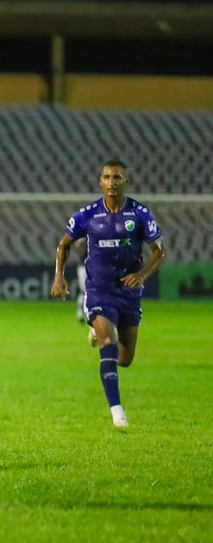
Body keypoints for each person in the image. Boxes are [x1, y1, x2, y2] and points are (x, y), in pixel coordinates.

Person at [51, 160, 167, 428]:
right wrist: (59, 275)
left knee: (125, 360)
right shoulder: (87, 215)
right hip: (99, 290)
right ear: (100, 182)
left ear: (126, 181)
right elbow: (63, 245)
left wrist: (142, 276)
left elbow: (159, 252)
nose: (112, 182)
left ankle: (96, 331)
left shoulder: (140, 214)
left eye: (117, 177)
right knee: (109, 345)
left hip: (128, 292)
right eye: (107, 177)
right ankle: (117, 412)